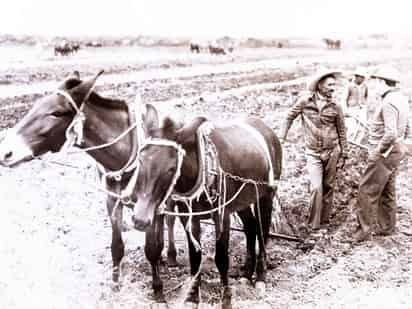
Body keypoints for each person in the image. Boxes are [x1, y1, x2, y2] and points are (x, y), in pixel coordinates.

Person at [280, 70, 349, 230]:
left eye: (334, 84)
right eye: (330, 85)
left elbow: (342, 130)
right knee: (316, 187)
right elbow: (289, 117)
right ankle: (313, 226)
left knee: (328, 187)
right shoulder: (305, 102)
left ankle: (324, 223)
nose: (333, 88)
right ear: (320, 85)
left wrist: (344, 153)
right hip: (313, 153)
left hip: (332, 151)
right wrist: (282, 137)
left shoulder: (335, 106)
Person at [353, 65, 411, 242]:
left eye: (376, 82)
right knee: (387, 190)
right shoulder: (401, 99)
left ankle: (362, 232)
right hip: (396, 150)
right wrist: (405, 144)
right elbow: (407, 127)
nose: (374, 87)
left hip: (385, 152)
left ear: (382, 82)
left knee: (366, 189)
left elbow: (391, 133)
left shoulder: (388, 102)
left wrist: (377, 152)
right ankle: (387, 227)